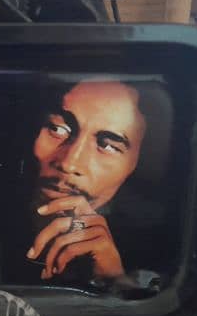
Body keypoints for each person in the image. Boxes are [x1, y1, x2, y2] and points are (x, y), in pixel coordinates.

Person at [24, 80, 148, 283]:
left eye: (108, 146)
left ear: (135, 164)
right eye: (58, 129)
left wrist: (114, 280)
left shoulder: (157, 257)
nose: (69, 164)